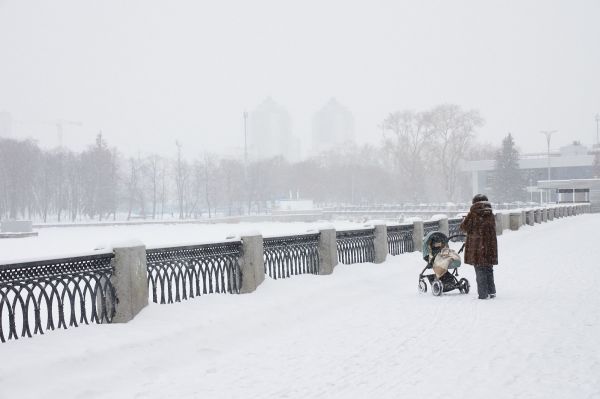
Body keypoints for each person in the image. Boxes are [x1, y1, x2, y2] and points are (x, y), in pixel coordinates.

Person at [460, 194, 498, 299]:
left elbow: (463, 227)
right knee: (489, 269)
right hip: (490, 246)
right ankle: (492, 291)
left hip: (477, 248)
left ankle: (483, 294)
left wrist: (465, 219)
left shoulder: (473, 214)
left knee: (480, 270)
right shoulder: (490, 214)